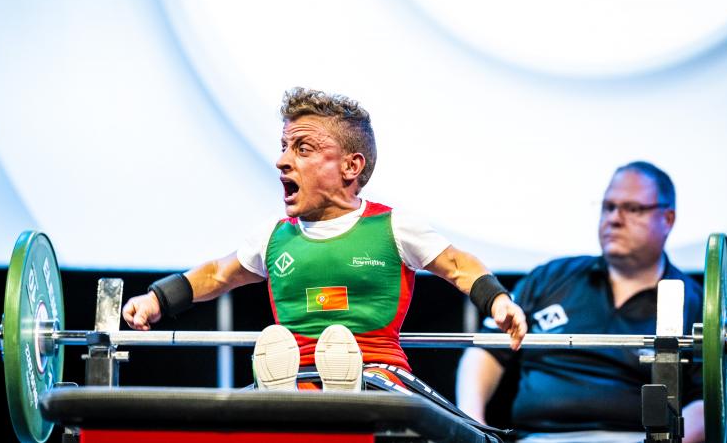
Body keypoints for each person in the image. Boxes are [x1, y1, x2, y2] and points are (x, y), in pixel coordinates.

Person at [122, 87, 526, 402]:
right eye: (283, 147)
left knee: (362, 378)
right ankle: (293, 389)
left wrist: (499, 301)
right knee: (267, 387)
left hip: (380, 379)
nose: (282, 161)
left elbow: (458, 266)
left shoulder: (395, 226)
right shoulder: (274, 236)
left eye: (302, 148)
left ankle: (336, 389)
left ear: (351, 166)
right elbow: (217, 275)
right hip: (295, 378)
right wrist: (159, 298)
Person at [456, 161, 704, 443]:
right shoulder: (551, 277)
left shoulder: (693, 302)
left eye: (632, 208)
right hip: (537, 438)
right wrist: (471, 426)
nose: (614, 218)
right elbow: (485, 351)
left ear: (668, 219)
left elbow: (706, 403)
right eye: (608, 207)